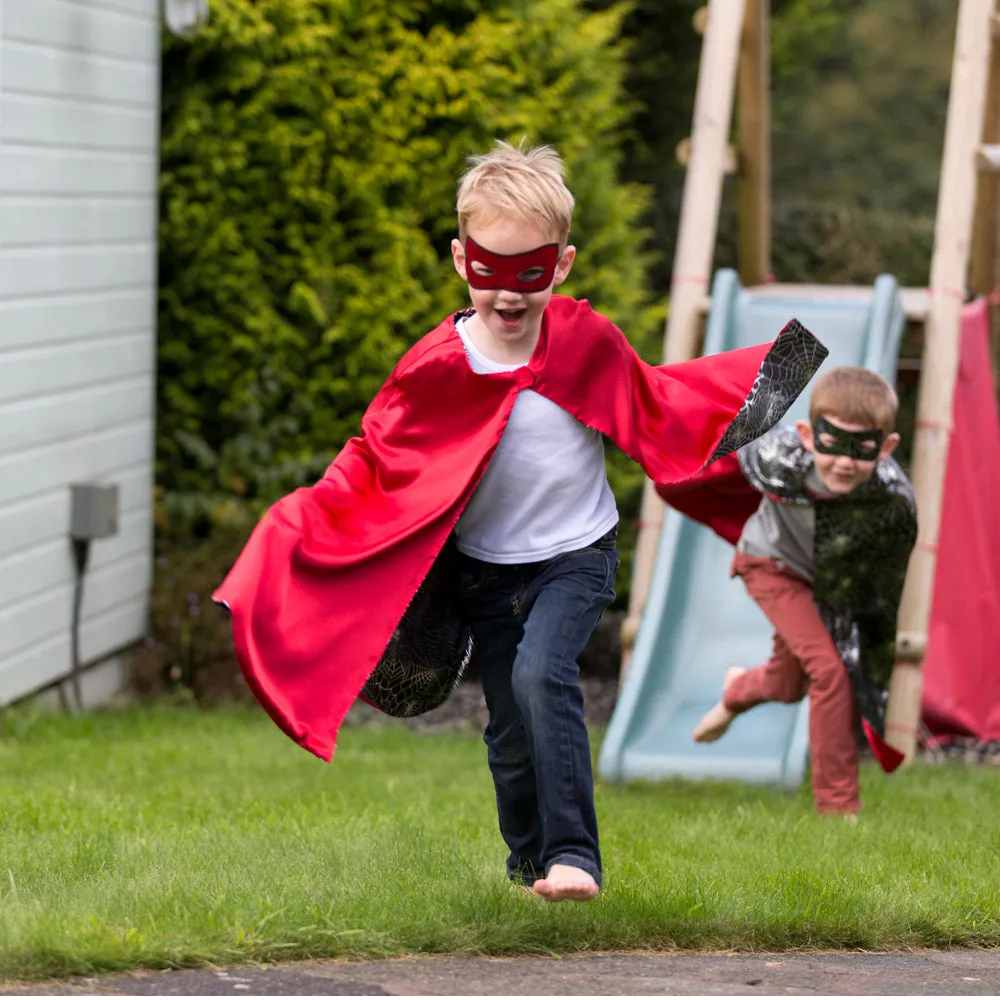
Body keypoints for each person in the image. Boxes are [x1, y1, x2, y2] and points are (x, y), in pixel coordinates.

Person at [213, 139, 826, 901]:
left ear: (561, 265)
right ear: (459, 259)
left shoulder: (584, 342)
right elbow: (377, 462)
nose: (507, 295)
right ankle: (530, 869)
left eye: (528, 274)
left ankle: (576, 857)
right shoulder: (437, 364)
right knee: (507, 732)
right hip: (482, 571)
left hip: (574, 555)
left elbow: (660, 409)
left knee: (544, 676)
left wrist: (770, 386)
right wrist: (298, 531)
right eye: (488, 271)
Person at [685, 366, 917, 816]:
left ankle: (739, 689)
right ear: (809, 435)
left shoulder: (892, 500)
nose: (845, 462)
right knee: (830, 672)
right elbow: (727, 427)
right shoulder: (780, 455)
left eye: (863, 449)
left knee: (789, 683)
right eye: (834, 443)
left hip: (825, 581)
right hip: (769, 563)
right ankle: (839, 808)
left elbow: (880, 587)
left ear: (886, 448)